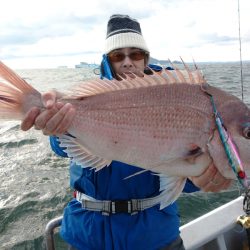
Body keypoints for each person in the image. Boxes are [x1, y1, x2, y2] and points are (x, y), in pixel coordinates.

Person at [21, 14, 232, 250]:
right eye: (118, 55)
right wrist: (55, 122)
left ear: (146, 58)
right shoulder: (87, 98)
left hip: (153, 236)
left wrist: (203, 177)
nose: (128, 61)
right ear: (108, 60)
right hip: (87, 235)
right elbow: (62, 148)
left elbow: (182, 174)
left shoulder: (176, 97)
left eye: (136, 54)